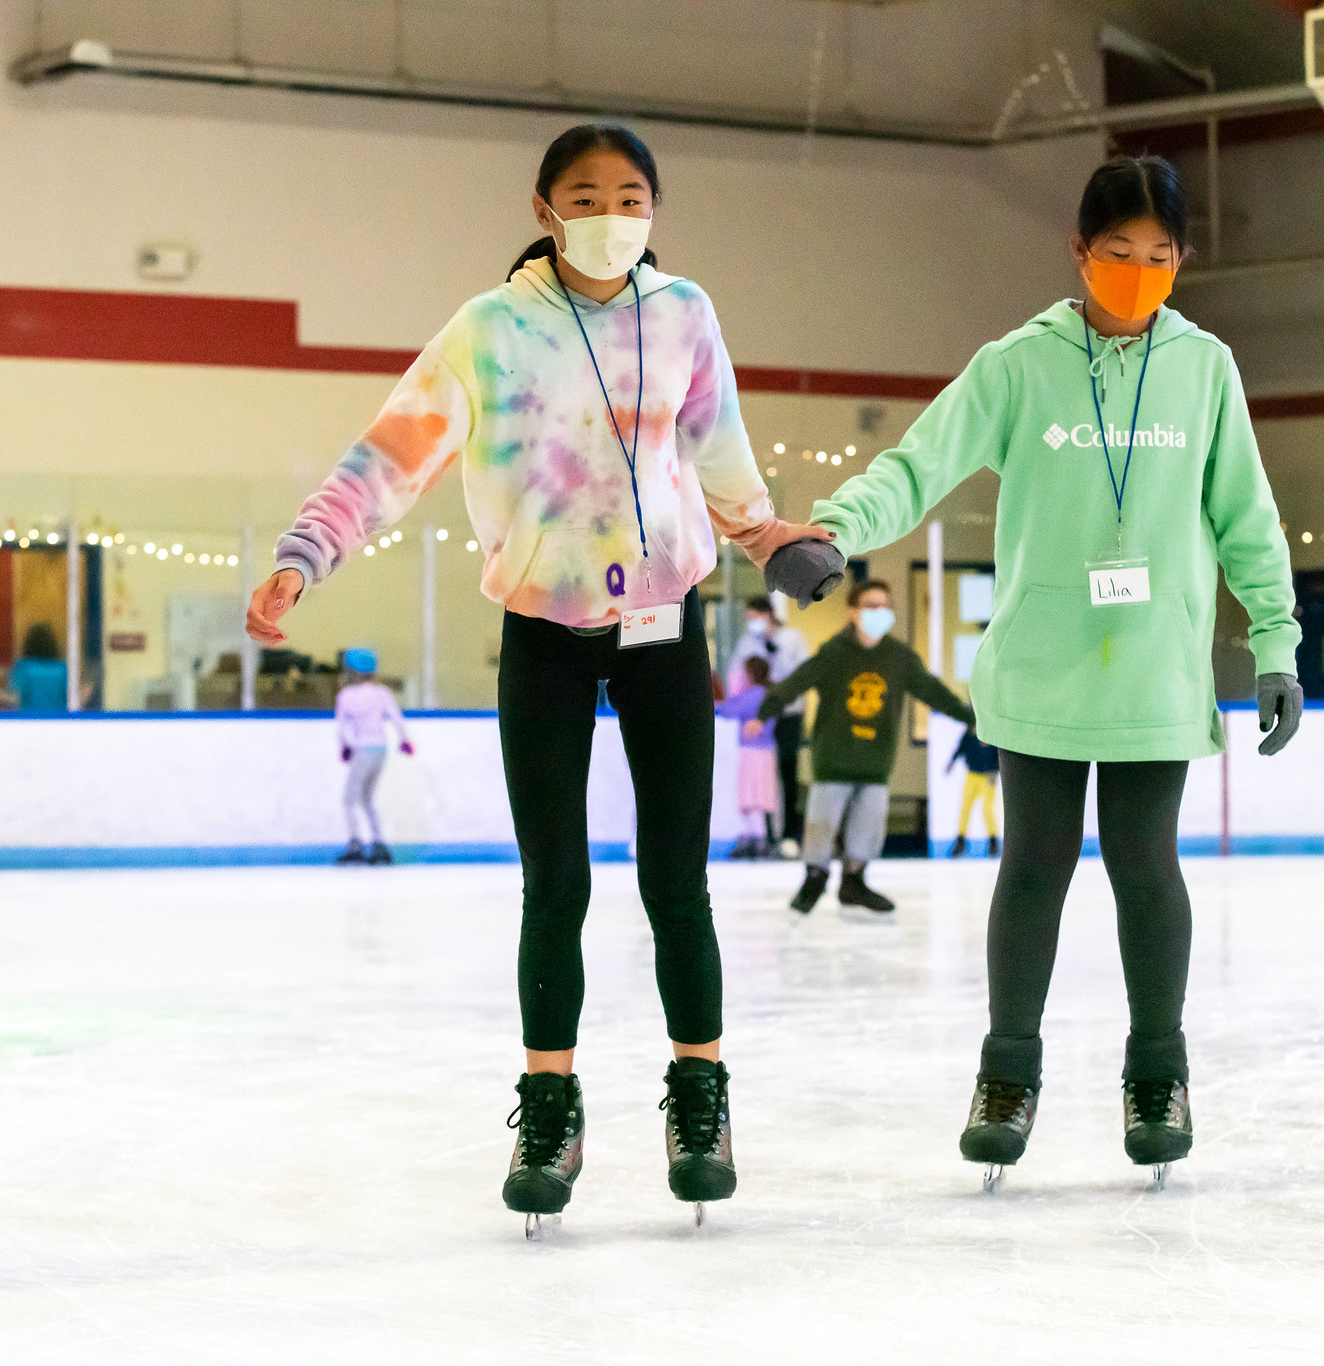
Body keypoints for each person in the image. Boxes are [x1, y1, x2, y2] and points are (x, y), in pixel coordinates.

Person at [244, 124, 828, 1232]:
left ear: (654, 208)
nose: (612, 213)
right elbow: (391, 454)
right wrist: (302, 553)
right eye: (587, 194)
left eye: (631, 195)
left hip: (665, 621)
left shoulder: (685, 315)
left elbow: (716, 453)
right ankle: (549, 1105)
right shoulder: (490, 330)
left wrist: (762, 534)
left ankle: (698, 1098)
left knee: (676, 878)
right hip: (545, 626)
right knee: (554, 880)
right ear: (545, 206)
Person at [800, 155, 1303, 1187]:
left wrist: (1274, 640)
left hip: (1154, 670)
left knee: (1143, 865)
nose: (1136, 272)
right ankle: (1007, 1074)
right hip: (1039, 667)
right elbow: (918, 463)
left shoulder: (1202, 368)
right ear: (1077, 251)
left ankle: (1156, 1073)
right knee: (1032, 865)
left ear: (1181, 261)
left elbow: (1243, 518)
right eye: (1116, 253)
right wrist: (835, 527)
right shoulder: (1017, 365)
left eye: (1158, 257)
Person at [757, 578, 975, 922]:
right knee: (821, 825)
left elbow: (933, 692)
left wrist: (970, 717)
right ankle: (814, 879)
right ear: (852, 612)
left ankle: (854, 883)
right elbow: (798, 681)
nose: (879, 612)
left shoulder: (899, 657)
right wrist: (764, 712)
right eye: (871, 605)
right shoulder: (833, 653)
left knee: (868, 826)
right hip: (833, 759)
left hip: (875, 762)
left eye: (884, 606)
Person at [726, 594, 810, 851]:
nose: (754, 623)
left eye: (757, 617)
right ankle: (763, 835)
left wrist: (775, 650)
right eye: (750, 619)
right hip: (760, 718)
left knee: (788, 769)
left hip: (787, 713)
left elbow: (802, 675)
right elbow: (736, 677)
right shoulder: (747, 643)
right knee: (761, 776)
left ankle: (789, 834)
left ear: (770, 614)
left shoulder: (792, 639)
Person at [334, 647, 413, 866]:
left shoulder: (346, 696)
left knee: (350, 799)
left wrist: (345, 747)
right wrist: (404, 740)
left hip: (362, 749)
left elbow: (343, 727)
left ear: (350, 671)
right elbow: (397, 719)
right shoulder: (382, 693)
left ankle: (356, 843)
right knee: (367, 798)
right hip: (380, 750)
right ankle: (378, 843)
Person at [714, 655, 780, 860]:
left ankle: (756, 838)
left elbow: (731, 711)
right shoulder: (763, 693)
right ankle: (751, 835)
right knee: (753, 795)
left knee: (752, 795)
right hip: (761, 752)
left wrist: (721, 698)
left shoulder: (755, 694)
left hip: (754, 753)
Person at [947, 727, 1001, 859]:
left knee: (987, 809)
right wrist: (952, 762)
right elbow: (961, 746)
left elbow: (1000, 753)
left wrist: (997, 770)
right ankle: (961, 840)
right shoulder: (970, 730)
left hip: (989, 775)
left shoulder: (992, 728)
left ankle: (993, 841)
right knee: (965, 807)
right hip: (972, 775)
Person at [10, 623, 68, 713]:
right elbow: (74, 698)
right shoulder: (62, 668)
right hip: (58, 721)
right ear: (52, 644)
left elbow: (14, 698)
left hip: (29, 721)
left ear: (28, 644)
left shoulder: (24, 667)